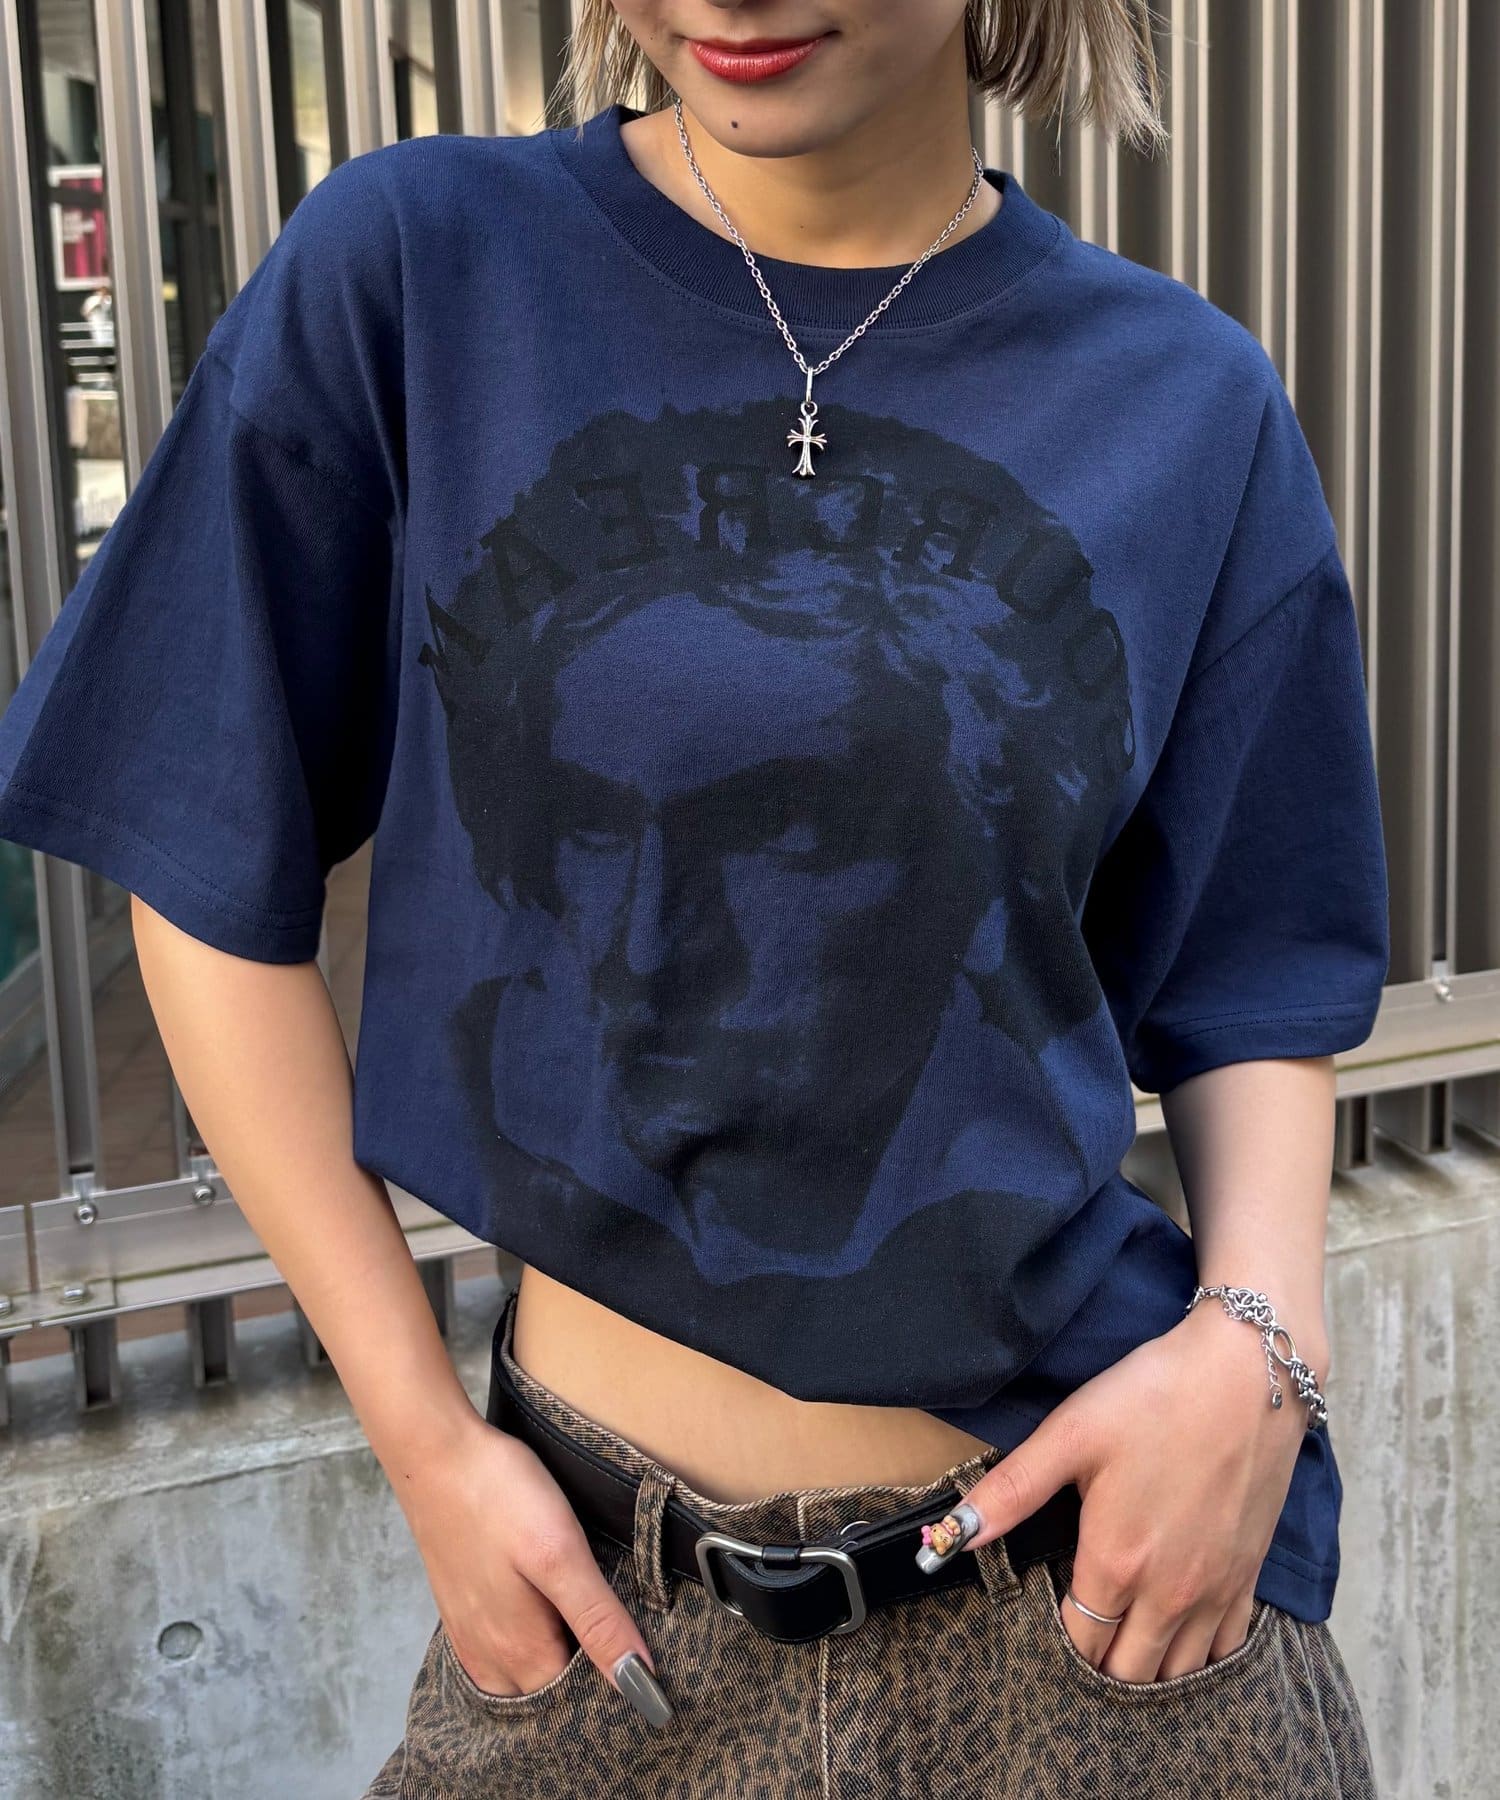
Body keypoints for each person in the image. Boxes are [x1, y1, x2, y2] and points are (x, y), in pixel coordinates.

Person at [0, 3, 1389, 1795]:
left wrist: (1262, 1350)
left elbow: (1254, 973)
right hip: (600, 1615)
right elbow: (202, 860)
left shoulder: (1185, 397)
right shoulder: (420, 269)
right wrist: (424, 1446)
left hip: (1101, 1614)